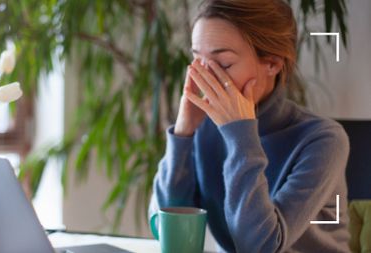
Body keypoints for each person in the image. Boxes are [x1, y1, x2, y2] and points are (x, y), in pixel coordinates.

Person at [149, 0, 350, 252]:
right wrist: (183, 133)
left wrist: (240, 135)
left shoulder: (323, 140)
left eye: (223, 65)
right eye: (198, 60)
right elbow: (165, 228)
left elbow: (261, 247)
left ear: (273, 64)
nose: (206, 78)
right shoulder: (205, 129)